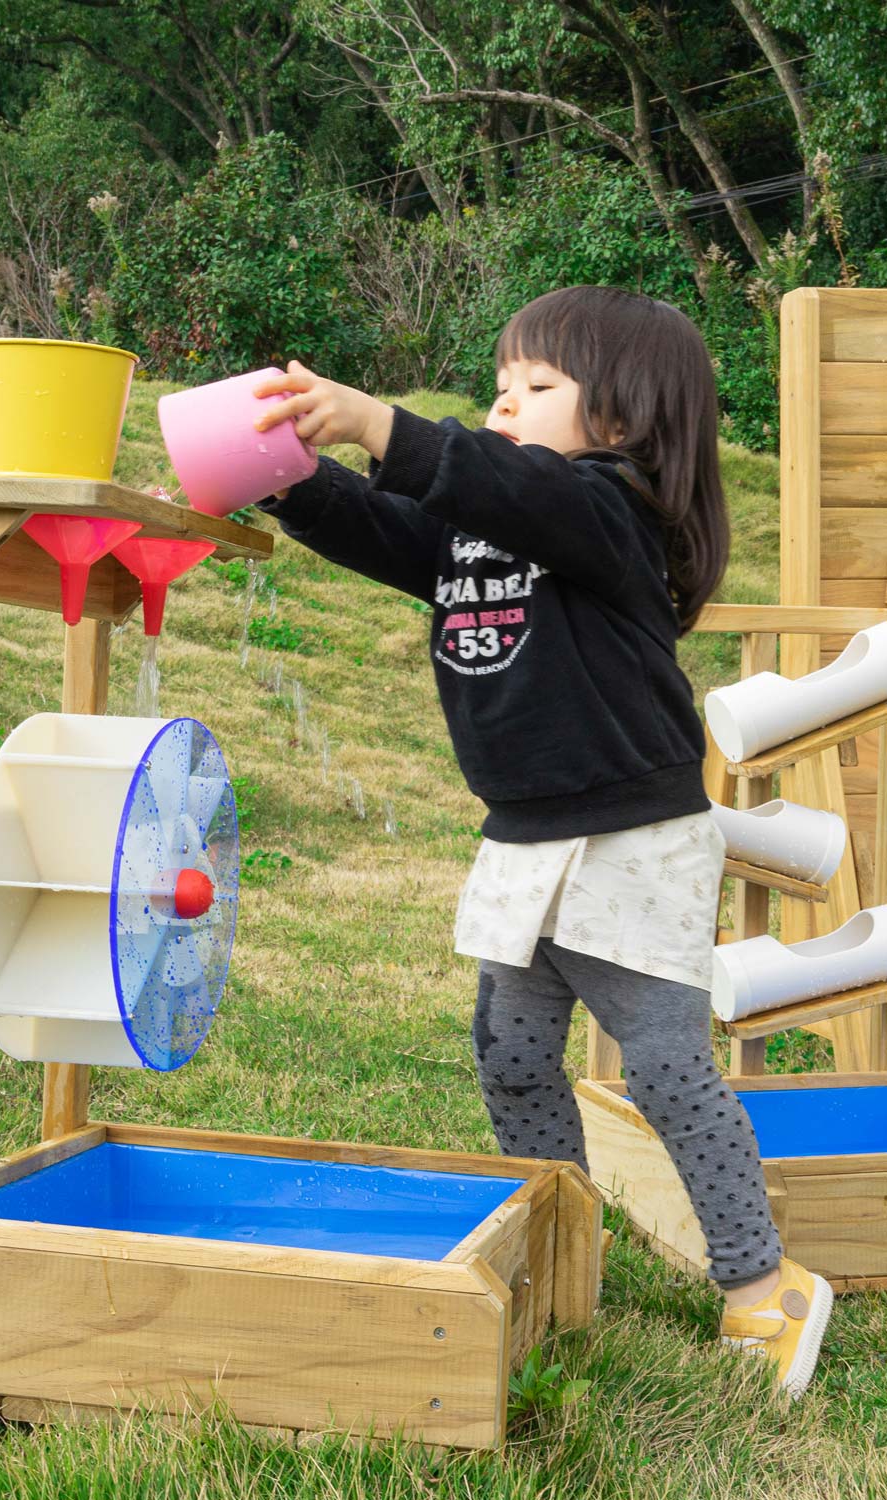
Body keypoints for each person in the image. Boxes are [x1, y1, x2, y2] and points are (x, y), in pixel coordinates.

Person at [252, 285, 832, 1400]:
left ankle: (763, 1282)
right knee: (512, 1059)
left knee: (665, 1065)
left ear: (621, 423)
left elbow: (508, 485)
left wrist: (385, 424)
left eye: (537, 388)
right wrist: (289, 476)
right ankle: (565, 1254)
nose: (504, 404)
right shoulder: (489, 523)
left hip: (631, 837)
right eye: (499, 385)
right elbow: (390, 531)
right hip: (524, 842)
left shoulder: (610, 514)